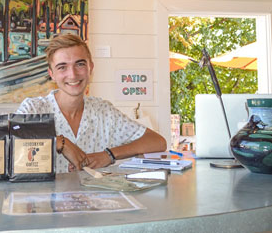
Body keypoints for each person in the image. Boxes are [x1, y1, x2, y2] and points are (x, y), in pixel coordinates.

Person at [17, 34, 166, 173]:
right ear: (52, 74)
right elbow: (8, 144)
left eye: (80, 64)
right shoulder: (33, 109)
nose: (73, 74)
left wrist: (109, 155)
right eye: (62, 67)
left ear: (90, 68)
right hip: (44, 199)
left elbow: (157, 142)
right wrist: (60, 143)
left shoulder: (104, 111)